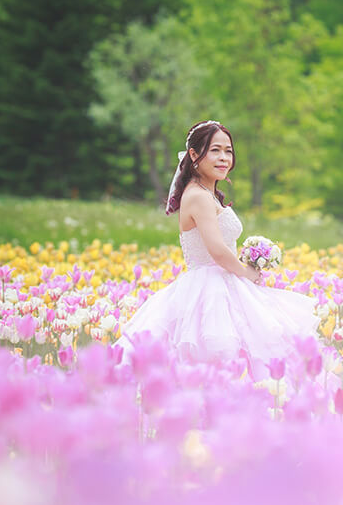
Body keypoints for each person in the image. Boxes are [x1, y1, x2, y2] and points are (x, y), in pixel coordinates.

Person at [116, 120, 323, 373]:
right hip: (210, 287)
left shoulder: (204, 193)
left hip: (222, 281)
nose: (224, 158)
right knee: (221, 353)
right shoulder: (198, 197)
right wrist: (247, 272)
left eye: (228, 151)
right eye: (215, 150)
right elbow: (217, 250)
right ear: (194, 155)